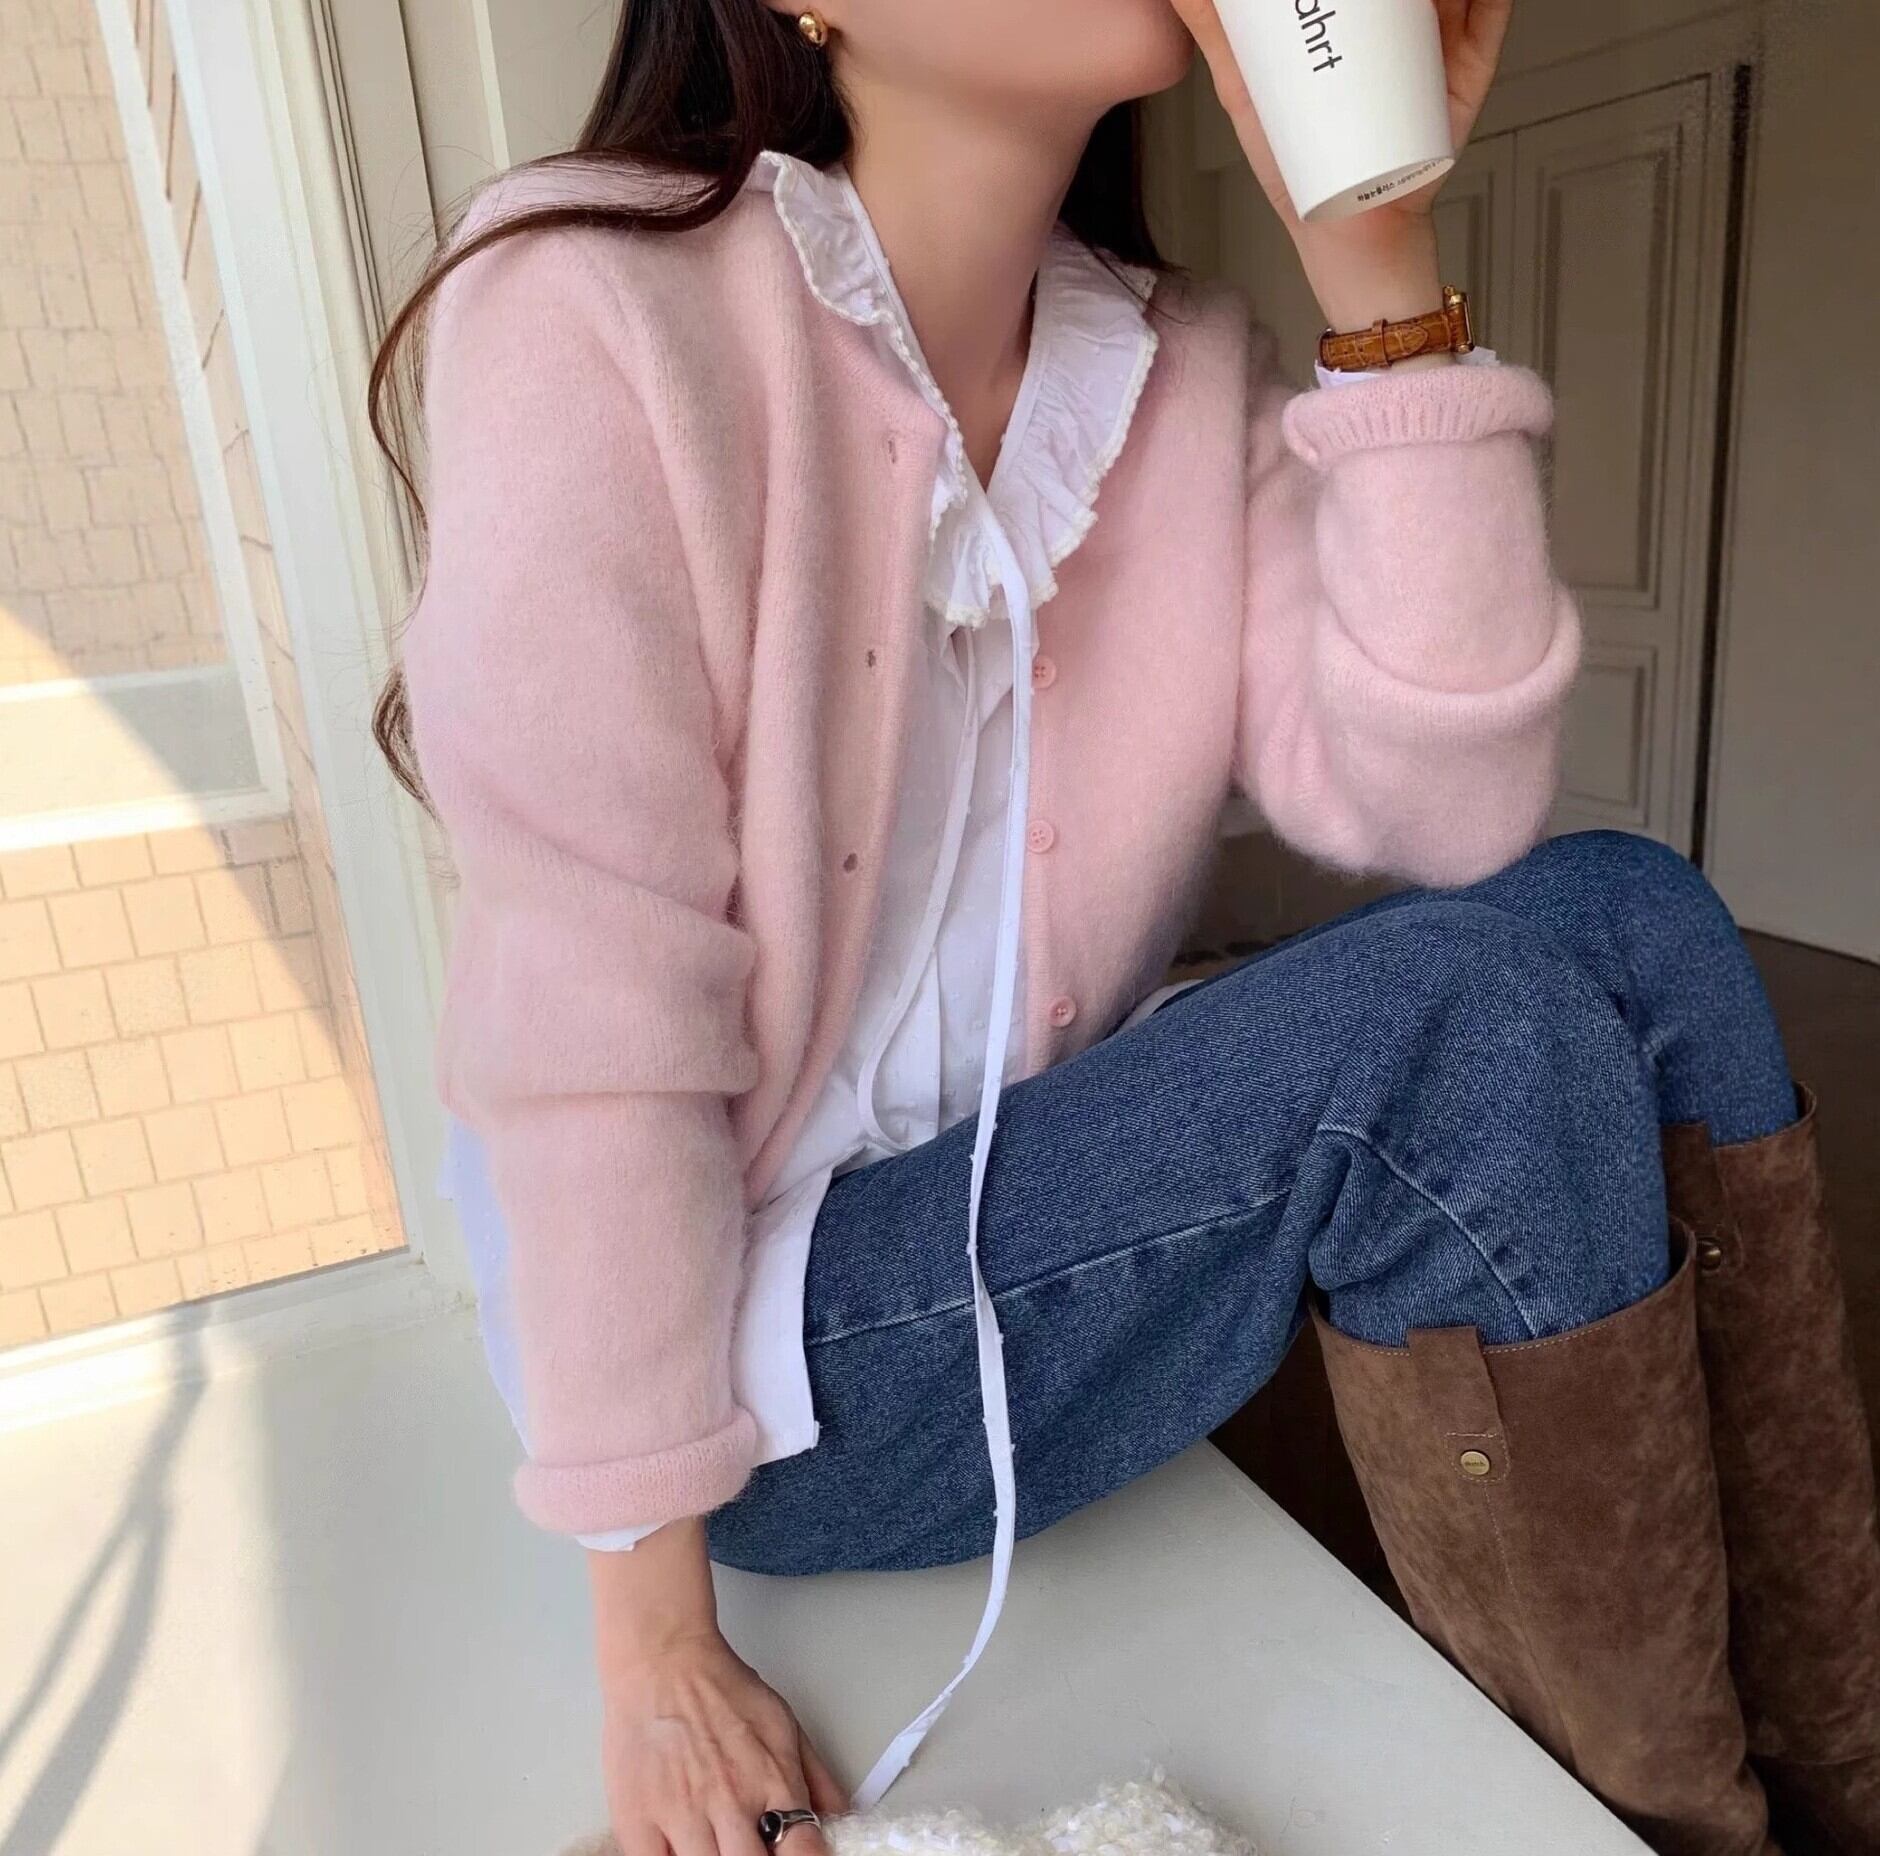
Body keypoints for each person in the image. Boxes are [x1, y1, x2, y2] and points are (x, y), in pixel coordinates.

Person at [373, 2, 1880, 1852]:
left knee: (1628, 917)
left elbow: (1450, 807)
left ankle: (1836, 1776)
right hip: (760, 1361)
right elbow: (588, 1002)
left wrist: (1374, 248)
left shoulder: (1171, 370)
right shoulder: (593, 304)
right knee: (1456, 1019)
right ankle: (1661, 1830)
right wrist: (654, 1646)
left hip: (1030, 1202)